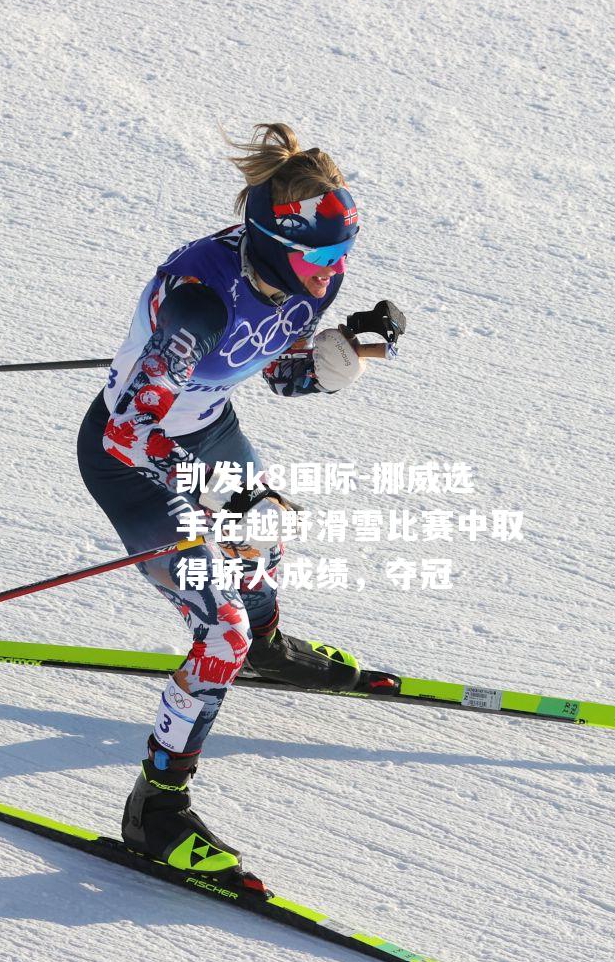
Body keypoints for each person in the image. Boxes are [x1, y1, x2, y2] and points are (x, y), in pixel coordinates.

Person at [75, 122, 401, 884]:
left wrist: (345, 354)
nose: (332, 274)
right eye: (318, 259)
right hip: (131, 462)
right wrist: (226, 494)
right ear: (271, 240)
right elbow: (129, 434)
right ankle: (154, 811)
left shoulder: (305, 274)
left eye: (340, 256)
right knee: (216, 629)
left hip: (208, 426)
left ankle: (269, 643)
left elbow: (282, 374)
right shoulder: (198, 305)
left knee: (268, 542)